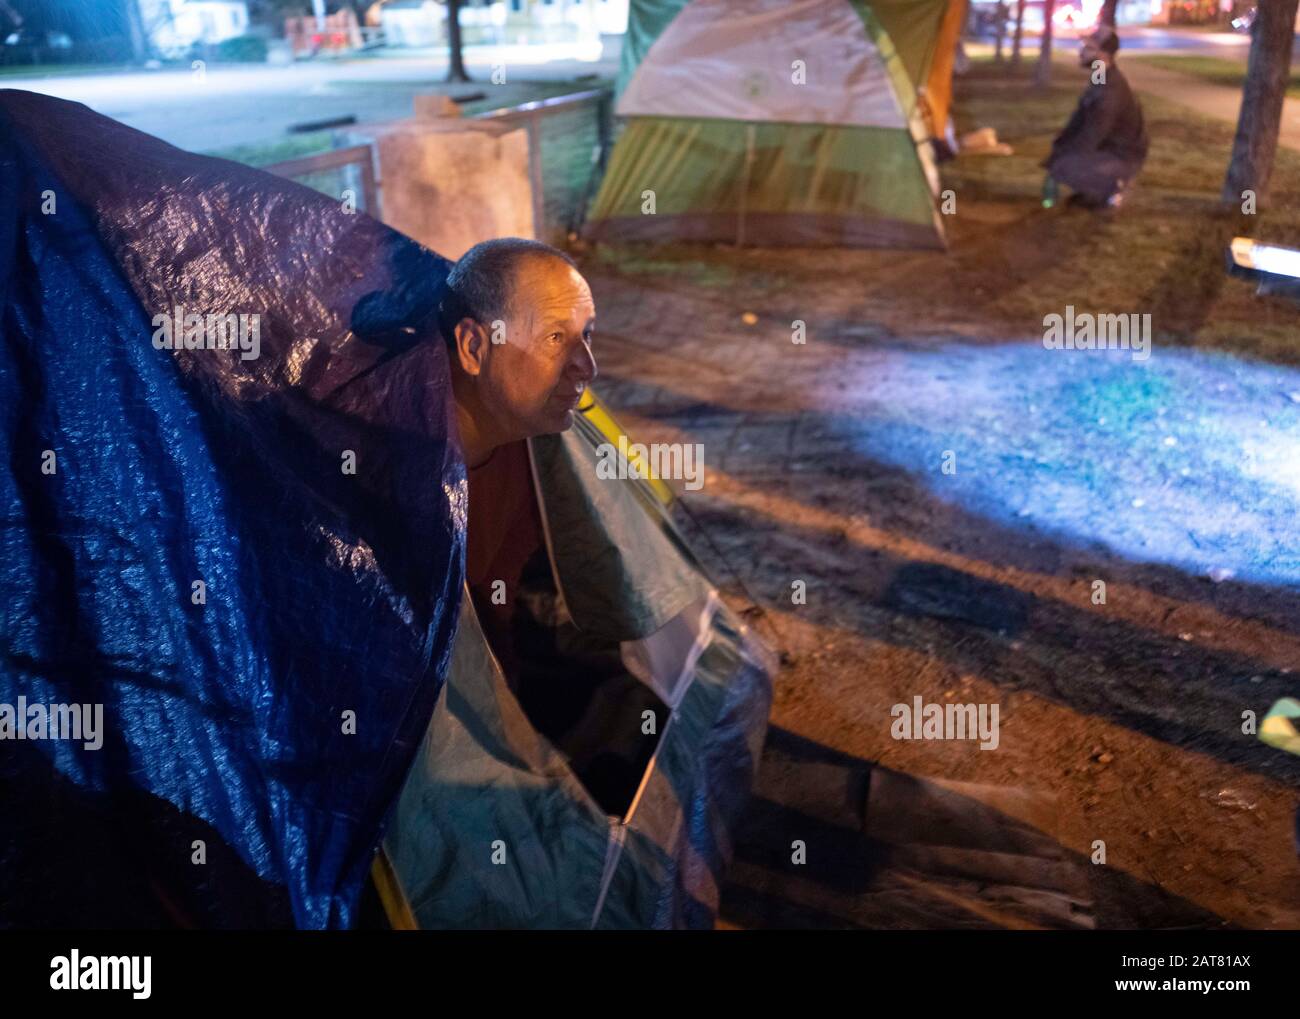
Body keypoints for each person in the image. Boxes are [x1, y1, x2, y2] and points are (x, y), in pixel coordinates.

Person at [435, 238, 598, 678]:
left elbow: (493, 611)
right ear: (472, 347)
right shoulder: (390, 472)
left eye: (587, 335)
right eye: (555, 337)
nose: (587, 366)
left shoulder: (525, 446)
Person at [1041, 25, 1148, 210]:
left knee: (1065, 166)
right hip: (1109, 150)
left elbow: (1095, 132)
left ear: (1104, 54)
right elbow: (1082, 115)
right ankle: (1093, 191)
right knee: (1063, 161)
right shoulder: (1100, 73)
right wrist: (1061, 144)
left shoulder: (1110, 91)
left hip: (1122, 156)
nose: (1082, 51)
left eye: (1089, 47)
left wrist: (1064, 157)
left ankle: (1114, 187)